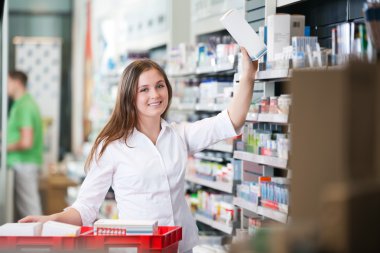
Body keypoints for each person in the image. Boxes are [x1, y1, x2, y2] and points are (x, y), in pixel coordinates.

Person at [20, 48, 258, 252]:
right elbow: (85, 208)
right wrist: (50, 219)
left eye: (159, 86)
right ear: (129, 97)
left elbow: (231, 121)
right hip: (139, 247)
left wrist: (249, 74)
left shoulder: (179, 135)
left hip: (183, 246)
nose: (154, 94)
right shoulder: (112, 146)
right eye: (144, 89)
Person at [7, 70, 44, 219]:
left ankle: (41, 241)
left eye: (7, 81)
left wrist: (4, 148)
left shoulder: (24, 106)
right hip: (23, 164)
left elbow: (26, 142)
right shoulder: (22, 104)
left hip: (24, 164)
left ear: (17, 82)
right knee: (28, 208)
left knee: (31, 209)